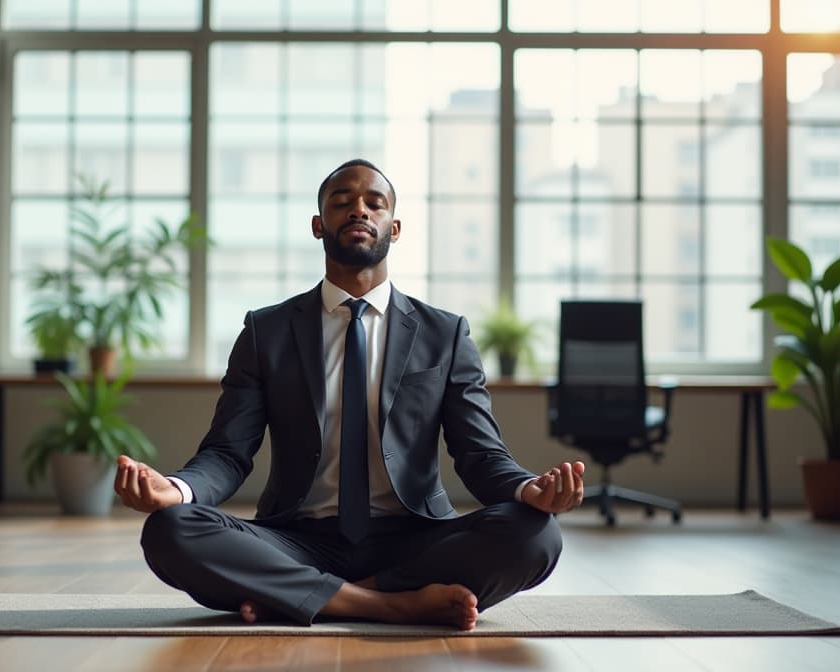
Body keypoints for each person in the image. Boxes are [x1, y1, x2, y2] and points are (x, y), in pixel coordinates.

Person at [115, 159, 585, 630]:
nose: (358, 210)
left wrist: (530, 489)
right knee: (171, 529)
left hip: (415, 538)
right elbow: (228, 453)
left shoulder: (445, 333)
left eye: (373, 203)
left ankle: (302, 595)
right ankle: (392, 605)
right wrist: (176, 490)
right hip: (296, 538)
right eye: (342, 202)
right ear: (319, 225)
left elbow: (480, 455)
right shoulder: (268, 331)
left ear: (394, 227)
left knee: (536, 535)